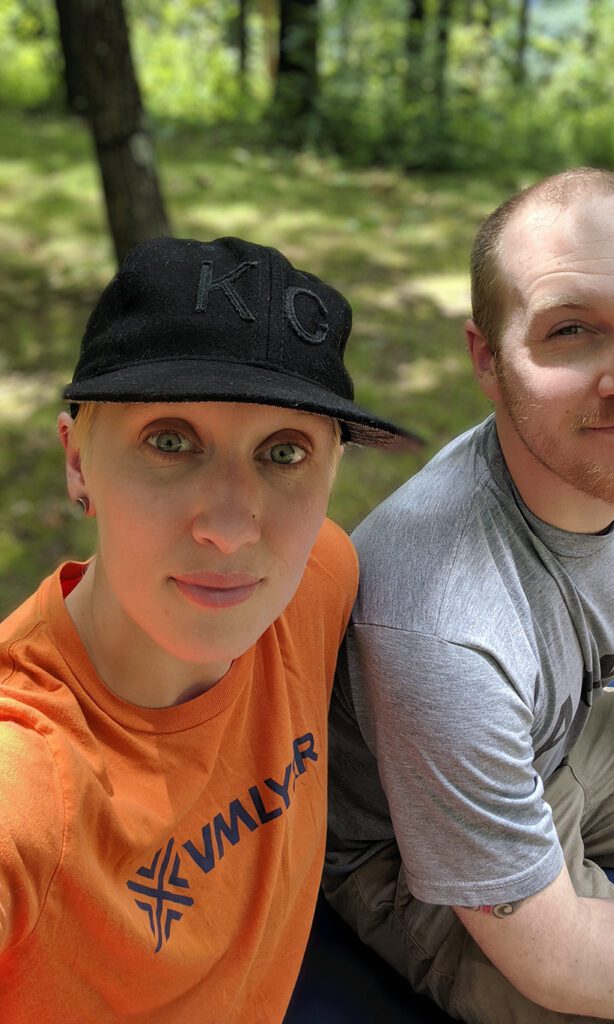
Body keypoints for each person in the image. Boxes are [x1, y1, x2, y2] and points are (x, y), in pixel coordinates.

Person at [324, 168, 614, 1023]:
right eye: (572, 330)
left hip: (558, 746)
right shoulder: (440, 619)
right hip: (409, 852)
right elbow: (559, 956)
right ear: (487, 360)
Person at [0, 235, 416, 1024]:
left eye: (284, 453)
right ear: (77, 462)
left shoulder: (317, 583)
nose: (229, 528)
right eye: (169, 441)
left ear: (332, 473)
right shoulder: (26, 783)